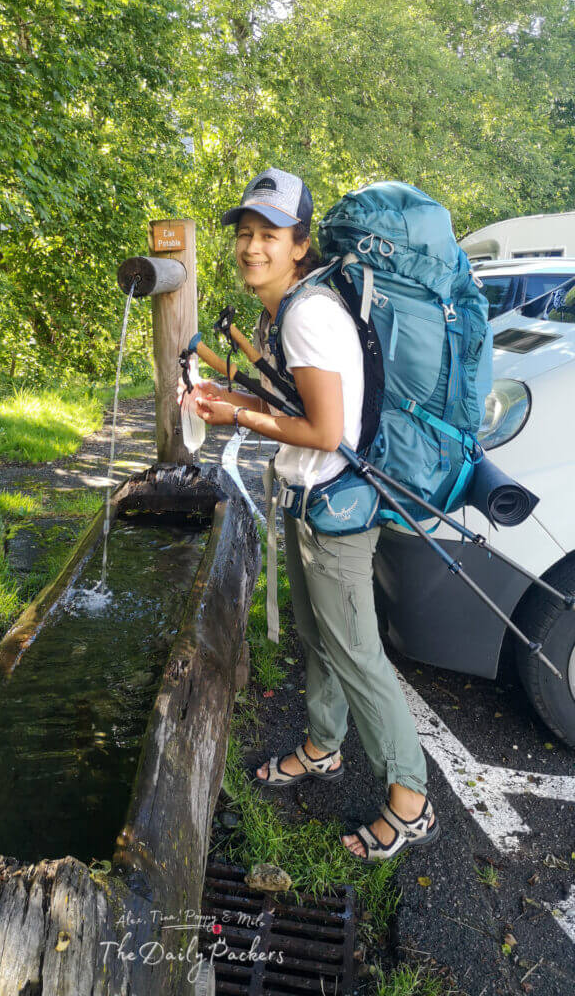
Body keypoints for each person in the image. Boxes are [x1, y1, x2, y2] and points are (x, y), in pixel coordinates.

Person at [179, 168, 440, 862]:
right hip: (309, 500)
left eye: (269, 235)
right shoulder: (284, 310)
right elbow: (290, 400)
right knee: (315, 636)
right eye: (245, 234)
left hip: (336, 511)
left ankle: (411, 801)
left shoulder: (309, 314)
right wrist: (229, 391)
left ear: (299, 244)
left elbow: (328, 434)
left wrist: (232, 411)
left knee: (358, 657)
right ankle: (324, 748)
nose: (251, 247)